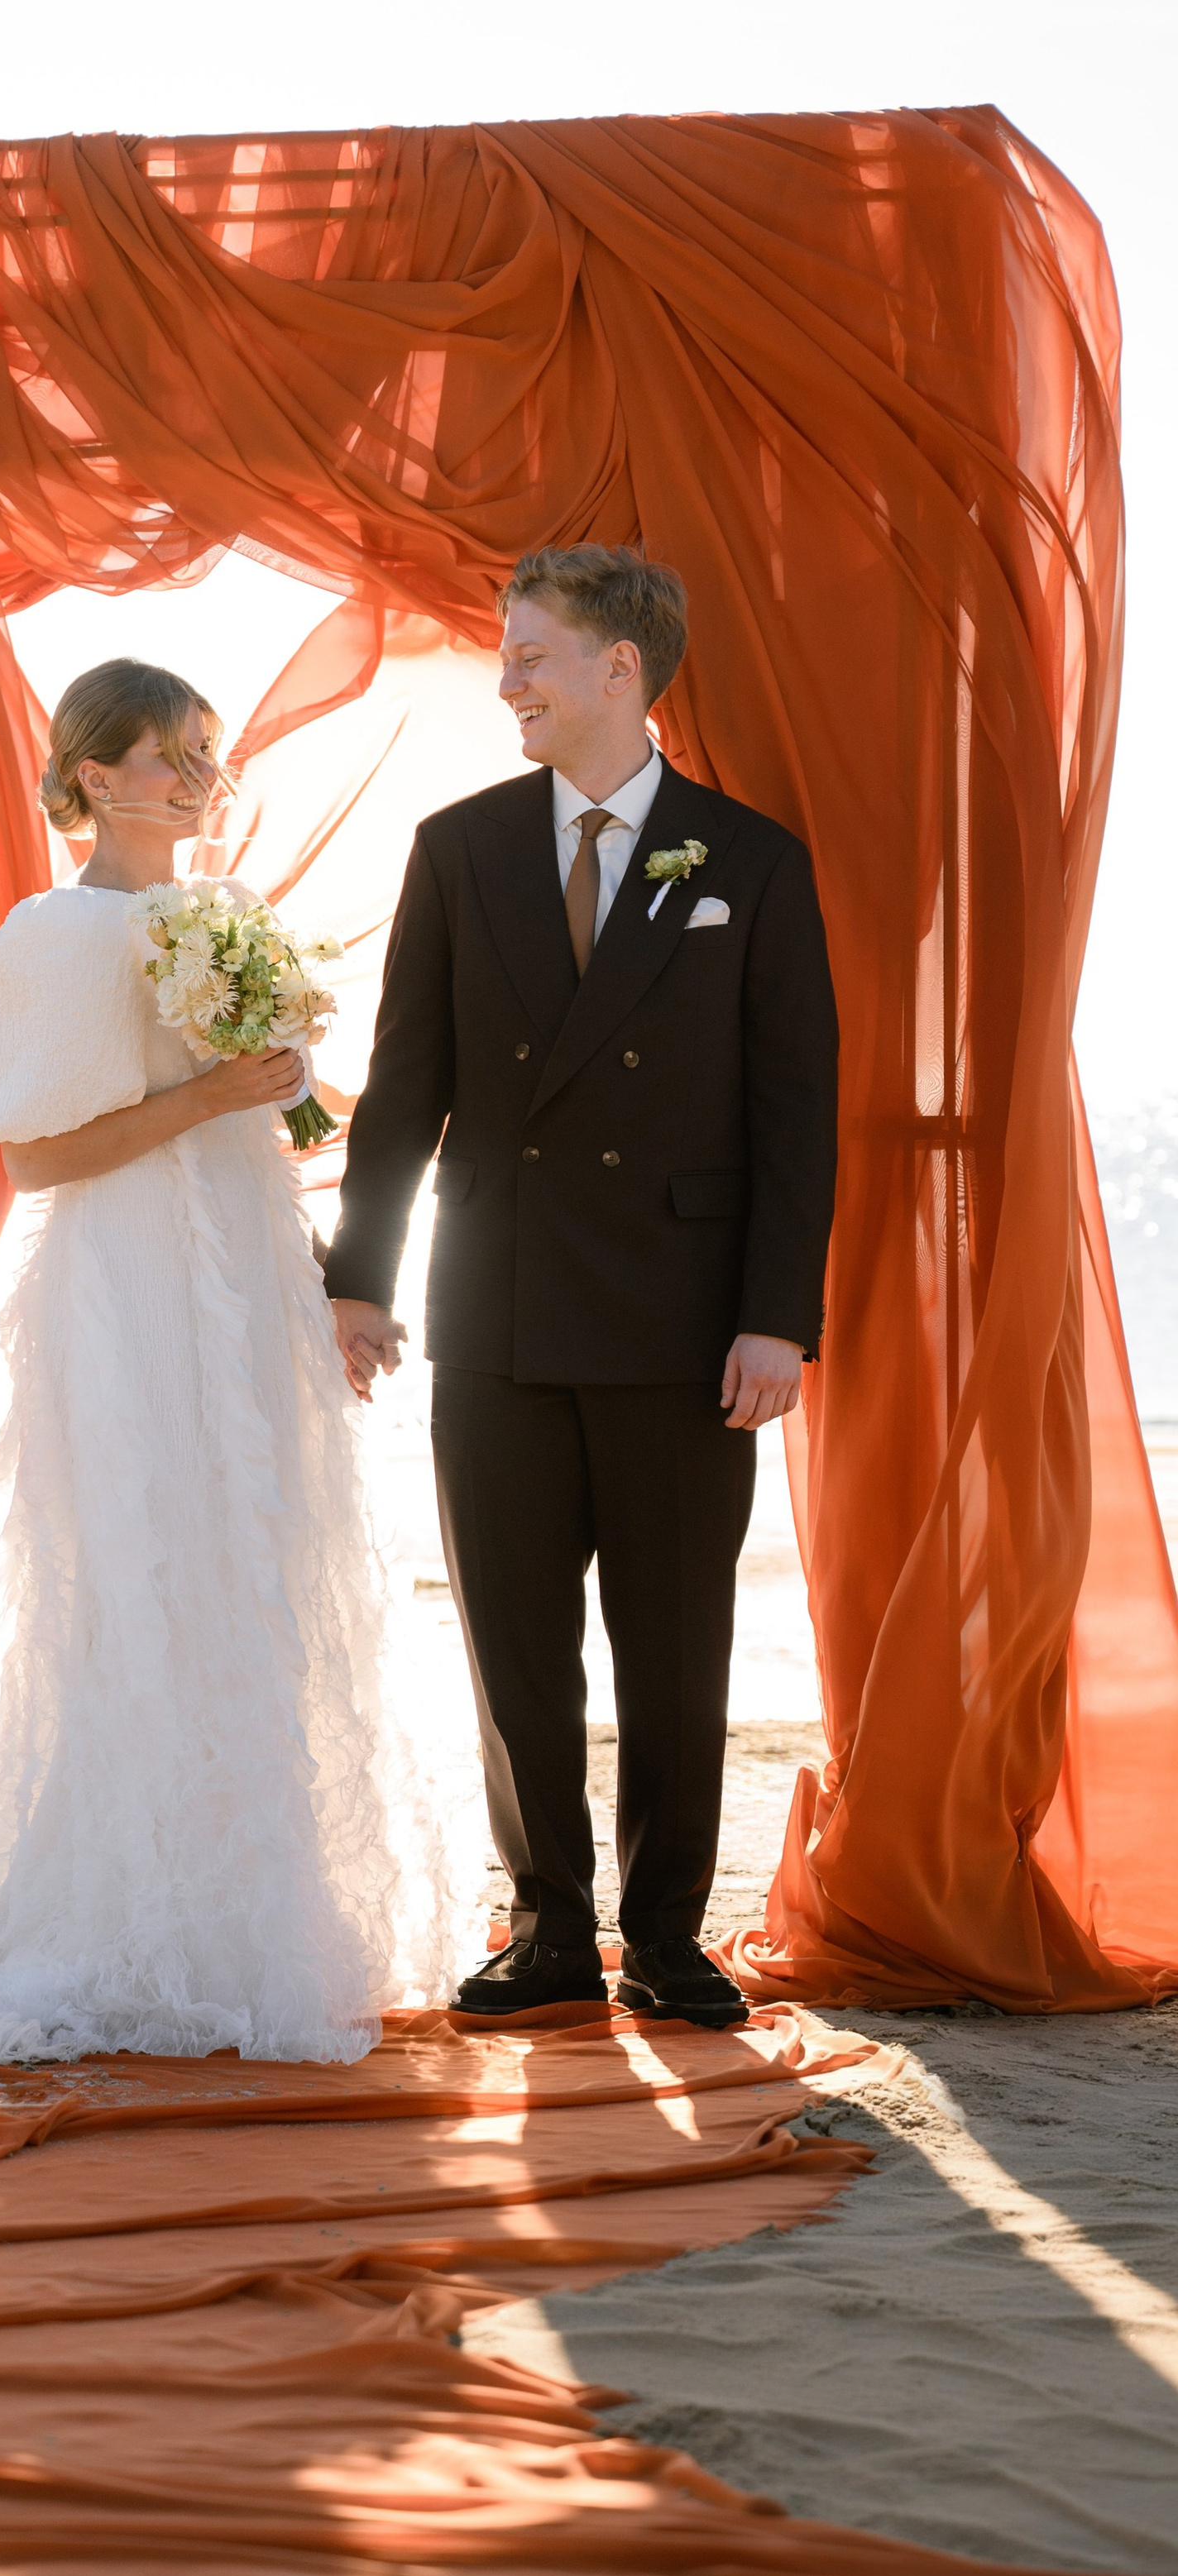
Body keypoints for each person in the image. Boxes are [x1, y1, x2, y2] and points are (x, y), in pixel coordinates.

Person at [0, 657, 471, 2061]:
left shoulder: (226, 920)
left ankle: (252, 1910)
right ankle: (126, 1907)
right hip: (125, 1288)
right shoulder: (55, 937)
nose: (197, 776)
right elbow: (40, 1157)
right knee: (143, 1573)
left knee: (263, 1568)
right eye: (169, 752)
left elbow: (284, 1122)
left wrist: (342, 1247)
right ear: (89, 778)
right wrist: (208, 1095)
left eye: (206, 751)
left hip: (243, 1280)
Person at [326, 547, 837, 2029]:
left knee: (677, 1644)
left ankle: (670, 1936)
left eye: (532, 656)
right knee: (515, 1641)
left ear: (623, 667)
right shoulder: (459, 847)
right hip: (495, 1308)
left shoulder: (750, 861)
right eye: (505, 655)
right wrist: (361, 1280)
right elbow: (403, 1090)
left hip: (690, 1326)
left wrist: (779, 1314)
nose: (508, 682)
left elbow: (794, 1111)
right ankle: (548, 1929)